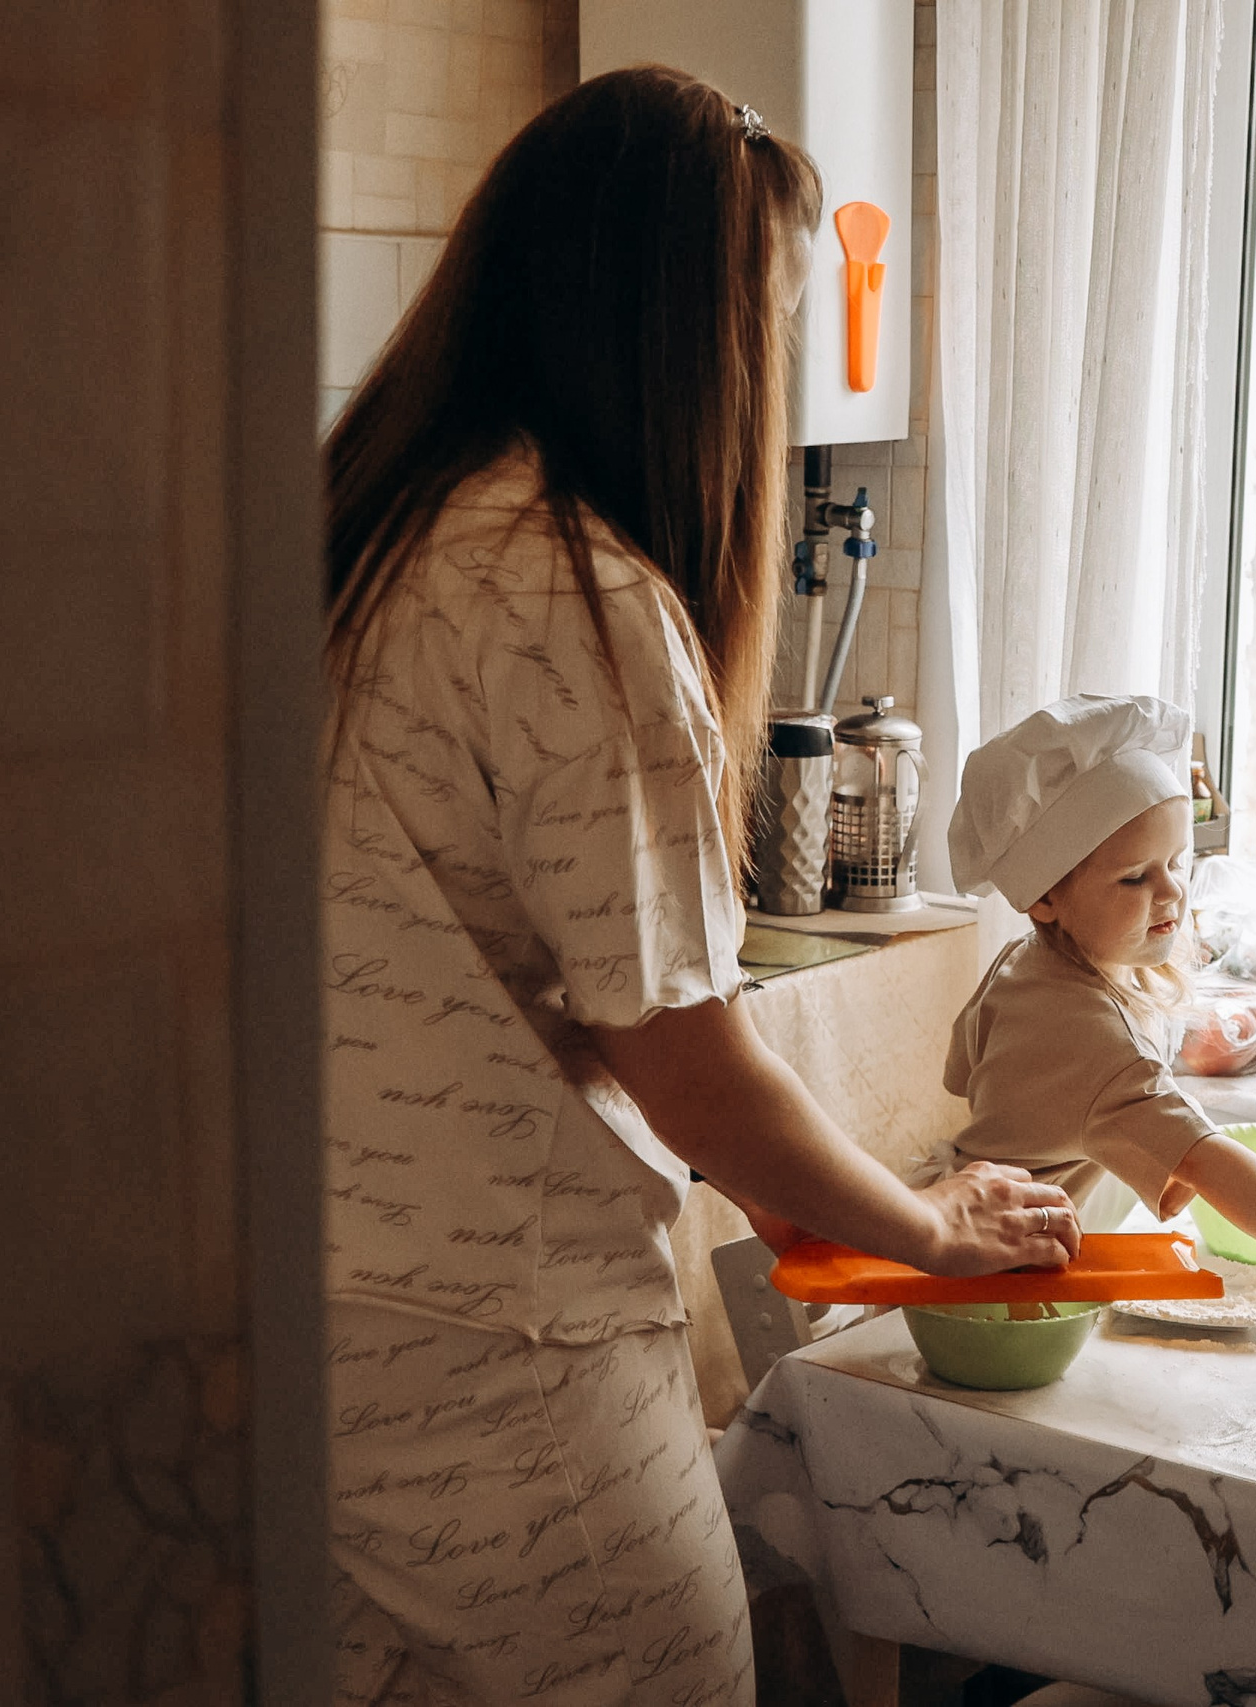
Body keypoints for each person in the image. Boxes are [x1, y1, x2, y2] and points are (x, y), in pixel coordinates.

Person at [318, 69, 1078, 1707]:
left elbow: (478, 953)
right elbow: (696, 1070)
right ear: (688, 335)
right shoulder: (578, 596)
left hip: (304, 1342)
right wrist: (937, 1224)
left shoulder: (371, 534)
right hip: (498, 1366)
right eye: (775, 324)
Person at [945, 695, 1256, 1333]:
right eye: (1134, 878)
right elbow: (1209, 1160)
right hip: (1006, 1297)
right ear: (1045, 897)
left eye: (1176, 863)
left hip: (973, 1238)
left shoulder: (1026, 965)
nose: (1172, 890)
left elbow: (962, 1071)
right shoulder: (1090, 1033)